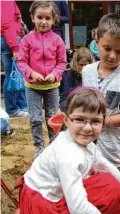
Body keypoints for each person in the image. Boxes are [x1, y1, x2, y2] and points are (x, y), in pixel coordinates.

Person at [18, 87, 120, 214]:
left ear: (103, 122)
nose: (87, 128)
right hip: (43, 202)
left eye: (95, 122)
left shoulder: (83, 142)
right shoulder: (69, 155)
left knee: (110, 183)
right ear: (66, 120)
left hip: (44, 190)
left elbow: (103, 164)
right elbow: (77, 206)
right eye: (80, 119)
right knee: (104, 193)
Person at [82, 14, 120, 169]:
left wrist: (99, 121)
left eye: (119, 51)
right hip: (85, 140)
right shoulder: (87, 71)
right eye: (107, 49)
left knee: (110, 181)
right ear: (97, 40)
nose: (112, 56)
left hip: (112, 146)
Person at [17, 1, 66, 158]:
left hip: (52, 86)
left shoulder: (58, 40)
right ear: (32, 18)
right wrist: (32, 74)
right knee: (35, 118)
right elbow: (22, 62)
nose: (43, 22)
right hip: (32, 87)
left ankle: (55, 145)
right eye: (39, 17)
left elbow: (62, 63)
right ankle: (39, 146)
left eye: (47, 18)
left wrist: (54, 74)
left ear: (53, 19)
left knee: (53, 117)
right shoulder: (27, 40)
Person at [1, 0, 28, 117]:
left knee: (17, 74)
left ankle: (22, 106)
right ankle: (12, 109)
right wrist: (15, 47)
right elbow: (6, 24)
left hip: (10, 39)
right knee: (12, 75)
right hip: (11, 40)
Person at [59, 47, 94, 112]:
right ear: (75, 63)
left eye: (86, 65)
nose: (83, 67)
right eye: (81, 65)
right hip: (71, 101)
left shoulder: (93, 73)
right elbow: (66, 95)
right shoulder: (68, 73)